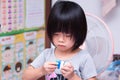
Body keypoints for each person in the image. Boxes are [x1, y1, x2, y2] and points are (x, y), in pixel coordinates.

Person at [22, 1, 97, 80]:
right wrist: (41, 71)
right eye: (56, 34)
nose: (61, 40)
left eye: (67, 35)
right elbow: (25, 77)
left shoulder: (84, 57)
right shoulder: (46, 54)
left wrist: (72, 77)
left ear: (79, 33)